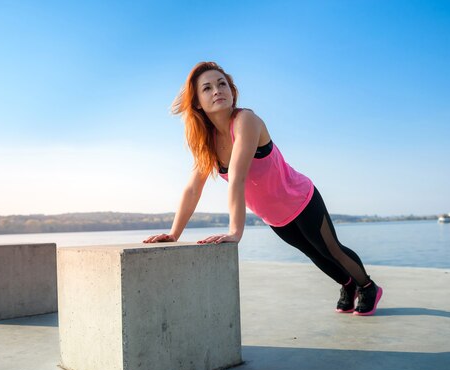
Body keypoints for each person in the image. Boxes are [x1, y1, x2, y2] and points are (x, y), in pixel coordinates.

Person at [144, 61, 383, 316]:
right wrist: (174, 233)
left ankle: (367, 286)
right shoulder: (207, 142)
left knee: (330, 249)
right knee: (313, 253)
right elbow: (193, 189)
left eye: (222, 83)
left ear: (232, 90)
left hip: (301, 199)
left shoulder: (245, 120)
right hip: (275, 216)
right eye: (207, 88)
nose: (217, 90)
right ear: (197, 103)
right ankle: (347, 284)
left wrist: (235, 232)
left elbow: (237, 176)